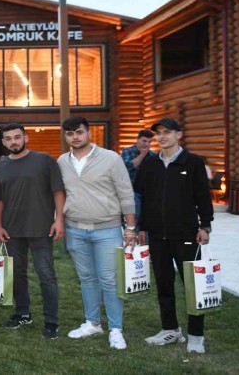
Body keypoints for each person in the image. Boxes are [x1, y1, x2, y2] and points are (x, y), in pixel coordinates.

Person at [135, 118, 214, 354]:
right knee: (164, 284)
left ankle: (196, 335)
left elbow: (203, 196)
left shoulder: (193, 162)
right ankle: (170, 329)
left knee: (192, 285)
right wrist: (142, 228)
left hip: (187, 234)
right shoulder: (150, 164)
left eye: (167, 132)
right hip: (157, 235)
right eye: (158, 133)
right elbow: (145, 198)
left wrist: (205, 226)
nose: (161, 137)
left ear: (179, 135)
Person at [57, 116, 135, 350]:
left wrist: (130, 228)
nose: (75, 137)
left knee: (109, 280)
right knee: (87, 279)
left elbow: (126, 193)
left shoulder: (111, 158)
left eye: (79, 132)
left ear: (89, 133)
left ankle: (116, 329)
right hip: (75, 229)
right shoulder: (62, 161)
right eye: (70, 134)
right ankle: (92, 323)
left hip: (107, 229)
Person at [0, 123, 65, 339]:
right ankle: (22, 313)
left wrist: (59, 220)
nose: (13, 142)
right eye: (8, 139)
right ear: (4, 142)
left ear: (26, 138)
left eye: (17, 137)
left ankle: (51, 322)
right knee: (17, 274)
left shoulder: (44, 161)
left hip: (41, 227)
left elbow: (58, 191)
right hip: (12, 230)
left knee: (46, 275)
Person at [121, 129, 156, 217]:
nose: (147, 144)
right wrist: (142, 155)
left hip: (148, 192)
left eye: (149, 142)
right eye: (144, 141)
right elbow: (127, 167)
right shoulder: (127, 151)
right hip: (131, 192)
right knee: (134, 217)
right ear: (137, 140)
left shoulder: (153, 155)